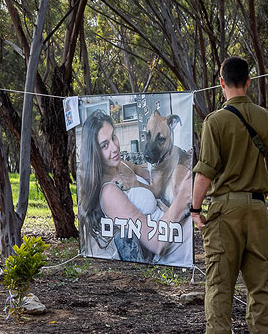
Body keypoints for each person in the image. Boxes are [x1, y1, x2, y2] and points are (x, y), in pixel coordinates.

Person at [184, 57, 268, 334]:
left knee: (219, 283)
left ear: (221, 82)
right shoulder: (266, 118)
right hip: (257, 212)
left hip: (224, 213)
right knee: (259, 284)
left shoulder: (215, 121)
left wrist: (195, 210)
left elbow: (205, 172)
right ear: (248, 82)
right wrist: (265, 183)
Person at [78, 110, 191, 265]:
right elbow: (156, 243)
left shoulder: (122, 165)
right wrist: (183, 196)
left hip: (181, 227)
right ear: (94, 152)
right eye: (105, 145)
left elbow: (152, 174)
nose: (115, 148)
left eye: (113, 137)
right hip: (173, 246)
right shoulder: (110, 192)